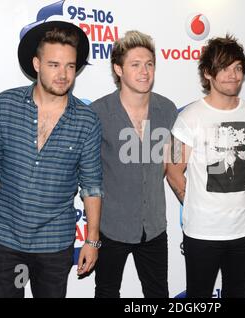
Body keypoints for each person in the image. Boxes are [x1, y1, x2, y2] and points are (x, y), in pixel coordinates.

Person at [0, 21, 103, 298]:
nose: (63, 74)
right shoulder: (5, 105)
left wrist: (92, 240)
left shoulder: (87, 120)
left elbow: (92, 186)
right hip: (6, 241)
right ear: (36, 63)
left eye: (70, 66)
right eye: (54, 65)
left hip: (55, 245)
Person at [166, 35, 245, 298]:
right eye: (224, 68)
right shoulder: (187, 118)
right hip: (202, 233)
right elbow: (173, 170)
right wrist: (195, 202)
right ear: (208, 73)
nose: (233, 76)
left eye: (238, 68)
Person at [90, 30, 177, 298]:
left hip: (153, 227)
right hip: (111, 226)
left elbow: (172, 164)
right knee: (106, 292)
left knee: (158, 293)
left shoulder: (168, 109)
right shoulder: (97, 113)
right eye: (135, 64)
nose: (144, 72)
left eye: (149, 64)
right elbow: (88, 173)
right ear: (119, 69)